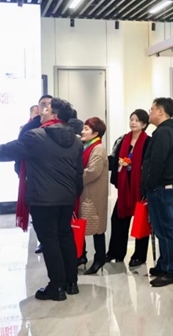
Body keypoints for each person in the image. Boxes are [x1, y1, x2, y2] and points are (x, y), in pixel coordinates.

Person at [0, 98, 83, 301]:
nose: (42, 112)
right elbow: (78, 173)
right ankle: (71, 283)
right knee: (65, 236)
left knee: (50, 240)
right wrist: (74, 194)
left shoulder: (36, 136)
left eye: (46, 109)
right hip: (67, 198)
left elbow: (6, 151)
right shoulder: (76, 141)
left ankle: (57, 286)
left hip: (43, 198)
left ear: (54, 115)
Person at [142, 97, 173, 287]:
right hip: (165, 187)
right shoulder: (168, 131)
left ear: (161, 111)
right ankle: (163, 264)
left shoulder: (164, 132)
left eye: (152, 109)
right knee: (162, 229)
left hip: (161, 187)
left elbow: (157, 162)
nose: (149, 113)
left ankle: (169, 271)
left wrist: (149, 184)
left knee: (165, 230)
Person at [106, 109, 150, 267]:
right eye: (132, 119)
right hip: (125, 187)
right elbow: (114, 160)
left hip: (139, 188)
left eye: (137, 120)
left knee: (140, 221)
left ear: (144, 124)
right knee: (117, 219)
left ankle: (139, 256)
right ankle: (116, 252)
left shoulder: (148, 142)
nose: (133, 122)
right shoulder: (123, 139)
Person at [16, 95, 52, 254]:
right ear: (38, 107)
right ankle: (43, 240)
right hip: (33, 178)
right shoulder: (29, 128)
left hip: (54, 179)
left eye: (49, 104)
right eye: (43, 104)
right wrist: (20, 172)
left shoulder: (61, 126)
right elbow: (18, 152)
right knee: (37, 213)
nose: (46, 107)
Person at [78, 117, 109, 275]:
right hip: (86, 193)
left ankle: (99, 258)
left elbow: (92, 172)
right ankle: (81, 256)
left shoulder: (98, 149)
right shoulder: (88, 146)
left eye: (86, 129)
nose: (82, 131)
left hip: (94, 195)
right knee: (83, 225)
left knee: (97, 228)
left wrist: (75, 178)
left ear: (96, 133)